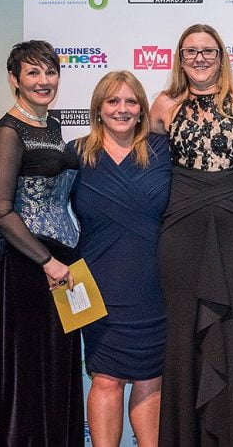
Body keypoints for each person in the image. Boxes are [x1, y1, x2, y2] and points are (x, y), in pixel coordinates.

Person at [149, 24, 233, 446]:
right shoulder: (163, 105)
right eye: (191, 51)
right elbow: (145, 169)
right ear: (180, 59)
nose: (200, 58)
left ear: (221, 56)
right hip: (182, 228)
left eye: (208, 51)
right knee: (184, 328)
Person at [0, 40, 83, 445]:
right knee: (25, 374)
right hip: (26, 267)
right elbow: (0, 210)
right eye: (33, 72)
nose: (43, 80)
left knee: (53, 370)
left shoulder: (52, 126)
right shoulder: (8, 131)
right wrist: (47, 262)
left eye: (50, 71)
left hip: (58, 263)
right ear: (14, 79)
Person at [71, 71, 171, 447]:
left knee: (151, 378)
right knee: (105, 378)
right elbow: (40, 198)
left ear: (142, 109)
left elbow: (200, 191)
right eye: (113, 101)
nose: (122, 109)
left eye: (131, 101)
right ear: (98, 108)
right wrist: (1, 220)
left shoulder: (163, 151)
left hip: (153, 282)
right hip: (95, 282)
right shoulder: (75, 154)